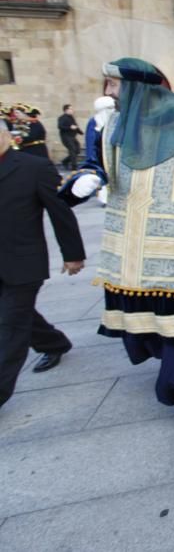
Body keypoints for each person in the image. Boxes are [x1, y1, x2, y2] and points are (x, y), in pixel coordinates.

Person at [61, 58, 174, 431]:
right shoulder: (112, 128)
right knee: (153, 324)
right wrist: (83, 181)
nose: (107, 93)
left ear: (139, 88)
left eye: (114, 85)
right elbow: (96, 164)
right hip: (134, 245)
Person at [0, 120, 84, 410]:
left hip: (23, 263)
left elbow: (60, 211)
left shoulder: (33, 167)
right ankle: (54, 343)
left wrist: (73, 255)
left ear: (7, 136)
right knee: (18, 316)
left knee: (9, 325)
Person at [85, 96, 116, 207]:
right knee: (103, 178)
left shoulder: (114, 121)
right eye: (109, 108)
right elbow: (91, 142)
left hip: (112, 155)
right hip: (100, 155)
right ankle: (104, 199)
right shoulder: (94, 122)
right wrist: (92, 159)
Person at [57, 104, 82, 171]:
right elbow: (60, 126)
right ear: (66, 110)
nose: (72, 110)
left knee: (77, 150)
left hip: (72, 137)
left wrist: (80, 132)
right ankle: (74, 167)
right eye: (70, 109)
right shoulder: (62, 118)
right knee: (72, 150)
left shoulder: (71, 117)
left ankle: (65, 161)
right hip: (66, 137)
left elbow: (75, 126)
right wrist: (69, 127)